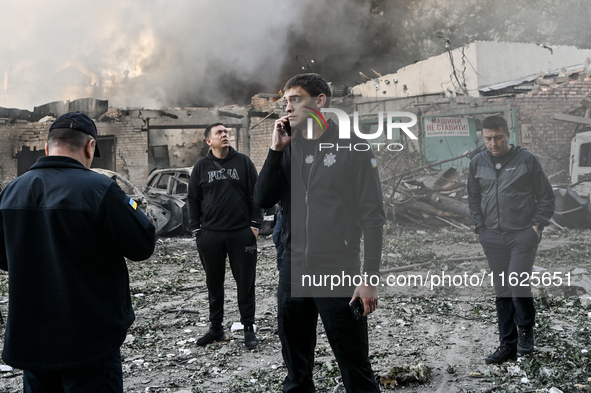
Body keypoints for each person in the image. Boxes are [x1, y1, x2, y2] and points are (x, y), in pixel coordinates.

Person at [0, 112, 156, 392]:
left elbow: (4, 258)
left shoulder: (12, 191)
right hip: (89, 343)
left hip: (33, 343)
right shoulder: (100, 190)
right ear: (90, 147)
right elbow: (143, 245)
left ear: (48, 147)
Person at [255, 73, 385, 392]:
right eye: (286, 101)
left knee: (354, 364)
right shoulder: (287, 146)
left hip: (337, 270)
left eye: (296, 99)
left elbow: (373, 216)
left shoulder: (353, 146)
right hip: (293, 269)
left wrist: (369, 277)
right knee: (296, 370)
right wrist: (275, 151)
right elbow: (262, 199)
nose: (288, 107)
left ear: (320, 102)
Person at [467, 115, 555, 364]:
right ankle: (508, 344)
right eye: (488, 139)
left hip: (521, 236)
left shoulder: (527, 159)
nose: (493, 143)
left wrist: (536, 228)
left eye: (498, 137)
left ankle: (525, 331)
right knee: (503, 290)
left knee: (517, 285)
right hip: (492, 237)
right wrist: (480, 228)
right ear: (482, 138)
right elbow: (473, 197)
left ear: (508, 134)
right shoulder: (477, 162)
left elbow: (546, 196)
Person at [187, 123, 262, 349]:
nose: (225, 134)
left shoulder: (244, 163)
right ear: (209, 141)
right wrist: (197, 230)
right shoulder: (201, 167)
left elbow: (256, 195)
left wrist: (255, 226)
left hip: (241, 234)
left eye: (226, 132)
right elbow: (192, 199)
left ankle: (248, 327)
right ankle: (216, 328)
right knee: (214, 283)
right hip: (210, 235)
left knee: (245, 282)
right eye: (219, 132)